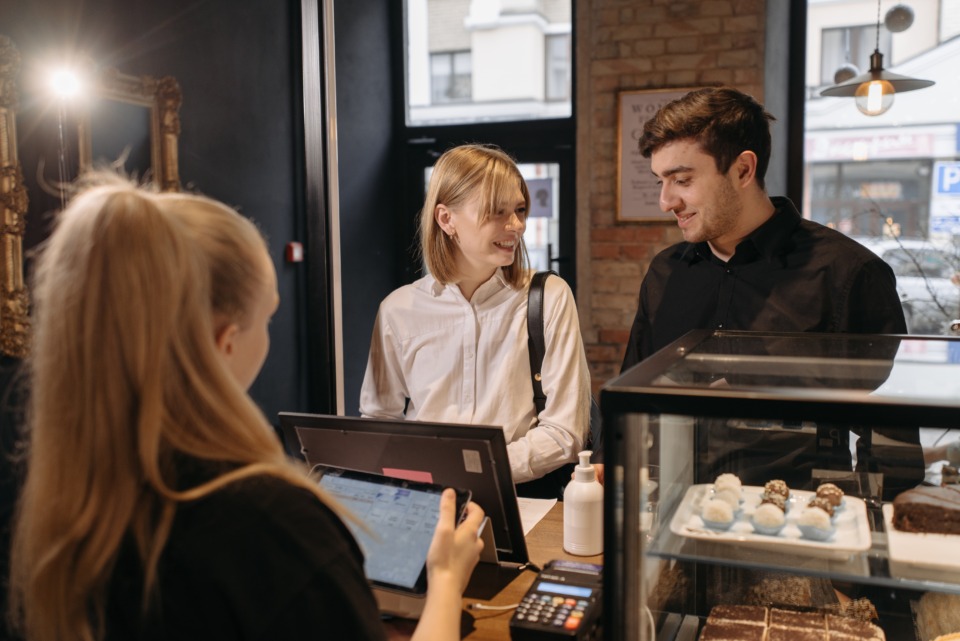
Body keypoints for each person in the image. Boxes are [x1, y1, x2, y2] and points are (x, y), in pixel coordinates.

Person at [7, 176, 484, 641]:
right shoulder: (270, 527)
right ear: (225, 343)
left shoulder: (61, 512)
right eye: (267, 316)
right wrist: (444, 579)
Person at [618, 87, 923, 497]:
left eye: (683, 180)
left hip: (797, 520)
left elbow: (889, 435)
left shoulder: (849, 274)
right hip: (676, 508)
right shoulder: (666, 272)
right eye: (661, 181)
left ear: (743, 170)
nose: (665, 201)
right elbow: (634, 391)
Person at [359, 144, 592, 497]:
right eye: (497, 211)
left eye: (519, 209)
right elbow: (380, 421)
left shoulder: (548, 296)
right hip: (424, 500)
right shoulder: (398, 309)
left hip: (521, 499)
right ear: (446, 219)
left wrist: (474, 470)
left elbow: (565, 431)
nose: (516, 225)